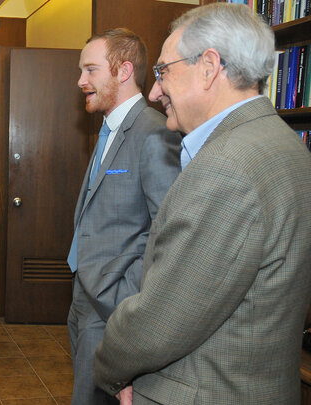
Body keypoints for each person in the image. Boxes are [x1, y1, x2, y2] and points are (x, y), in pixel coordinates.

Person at [93, 4, 311, 405]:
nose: (155, 92)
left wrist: (108, 367)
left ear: (209, 67)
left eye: (163, 72)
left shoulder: (227, 168)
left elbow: (160, 320)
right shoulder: (287, 146)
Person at [67, 28, 181, 405]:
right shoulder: (108, 130)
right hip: (87, 294)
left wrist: (124, 298)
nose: (81, 80)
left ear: (123, 70)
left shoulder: (153, 133)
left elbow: (168, 233)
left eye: (90, 70)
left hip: (114, 305)